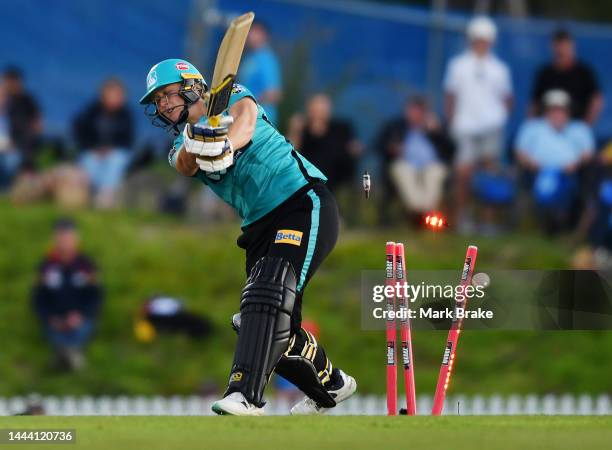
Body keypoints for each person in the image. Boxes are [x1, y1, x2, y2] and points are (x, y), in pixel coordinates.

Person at [139, 59, 356, 415]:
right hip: (257, 227)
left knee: (267, 299)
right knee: (257, 319)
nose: (162, 106)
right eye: (157, 102)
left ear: (191, 86)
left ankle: (245, 395)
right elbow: (183, 164)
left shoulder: (231, 95)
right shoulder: (182, 141)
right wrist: (197, 141)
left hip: (301, 200)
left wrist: (225, 145)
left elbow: (246, 122)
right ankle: (330, 383)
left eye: (166, 95)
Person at [443, 16, 513, 232]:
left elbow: (507, 98)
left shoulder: (499, 69)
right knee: (463, 174)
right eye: (478, 39)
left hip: (491, 127)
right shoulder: (458, 65)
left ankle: (487, 221)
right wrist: (452, 120)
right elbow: (450, 96)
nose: (481, 43)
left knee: (489, 175)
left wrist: (500, 119)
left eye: (485, 39)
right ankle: (463, 219)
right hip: (465, 126)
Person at [515, 90, 594, 233]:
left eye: (561, 110)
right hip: (537, 172)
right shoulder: (532, 128)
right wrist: (530, 162)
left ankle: (565, 227)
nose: (558, 114)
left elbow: (588, 153)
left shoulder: (579, 129)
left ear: (568, 111)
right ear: (546, 110)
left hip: (569, 173)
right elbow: (520, 151)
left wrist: (576, 164)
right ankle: (541, 226)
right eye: (554, 110)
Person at [32, 219, 103, 371]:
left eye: (68, 237)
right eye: (60, 237)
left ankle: (64, 354)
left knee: (81, 328)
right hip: (55, 319)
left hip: (80, 319)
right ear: (54, 239)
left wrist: (81, 315)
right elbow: (38, 298)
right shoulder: (46, 266)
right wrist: (50, 317)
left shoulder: (86, 265)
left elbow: (95, 297)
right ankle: (70, 355)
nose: (64, 242)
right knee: (54, 330)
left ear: (76, 239)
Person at [377, 96, 452, 219]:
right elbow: (379, 145)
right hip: (405, 163)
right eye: (412, 110)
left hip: (432, 165)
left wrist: (436, 133)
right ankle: (420, 211)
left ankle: (423, 212)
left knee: (435, 173)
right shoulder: (395, 126)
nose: (415, 114)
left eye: (419, 111)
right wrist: (393, 148)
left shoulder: (436, 127)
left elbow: (451, 150)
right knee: (402, 171)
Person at [73, 78, 133, 208]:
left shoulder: (126, 115)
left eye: (119, 95)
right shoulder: (90, 112)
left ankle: (105, 196)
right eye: (112, 94)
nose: (116, 98)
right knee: (89, 161)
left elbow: (127, 141)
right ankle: (91, 194)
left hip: (115, 153)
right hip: (92, 152)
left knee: (116, 160)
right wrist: (94, 148)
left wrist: (109, 149)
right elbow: (81, 135)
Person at [287, 93, 361, 194]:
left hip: (337, 177)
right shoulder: (302, 131)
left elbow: (354, 148)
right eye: (314, 110)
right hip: (309, 179)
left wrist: (355, 150)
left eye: (321, 110)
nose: (318, 114)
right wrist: (295, 131)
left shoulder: (341, 128)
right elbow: (289, 155)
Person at [530, 29, 603, 124]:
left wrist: (587, 123)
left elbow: (596, 100)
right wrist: (531, 123)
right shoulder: (545, 73)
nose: (561, 50)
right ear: (552, 47)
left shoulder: (584, 72)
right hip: (547, 127)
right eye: (558, 46)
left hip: (576, 124)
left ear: (572, 46)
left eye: (565, 46)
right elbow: (535, 102)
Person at [1, 67, 42, 183]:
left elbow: (35, 128)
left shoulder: (25, 102)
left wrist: (16, 145)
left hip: (15, 148)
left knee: (11, 161)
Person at [239, 21, 282, 125]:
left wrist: (248, 105)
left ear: (264, 35)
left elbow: (273, 93)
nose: (250, 35)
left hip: (260, 120)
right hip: (245, 117)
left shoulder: (267, 58)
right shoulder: (249, 57)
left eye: (255, 31)